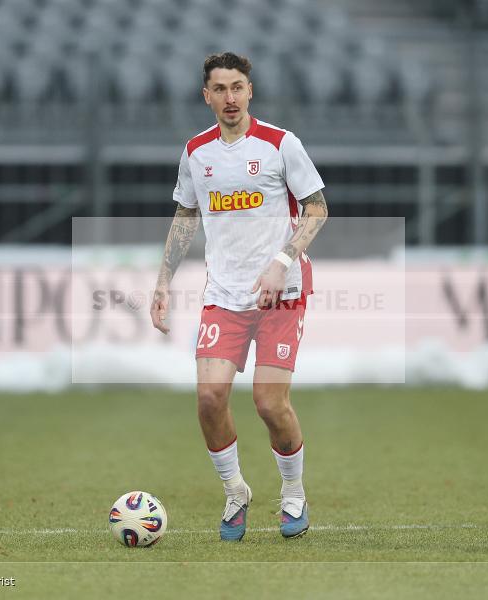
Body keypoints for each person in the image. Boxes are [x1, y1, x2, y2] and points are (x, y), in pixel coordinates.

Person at [150, 52, 328, 541]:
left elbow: (317, 209)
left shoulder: (280, 144)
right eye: (220, 89)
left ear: (250, 91)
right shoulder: (196, 152)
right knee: (209, 398)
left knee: (269, 403)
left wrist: (282, 261)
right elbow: (186, 215)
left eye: (237, 87)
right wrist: (163, 280)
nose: (230, 97)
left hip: (282, 292)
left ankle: (293, 493)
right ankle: (235, 492)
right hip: (225, 294)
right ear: (206, 96)